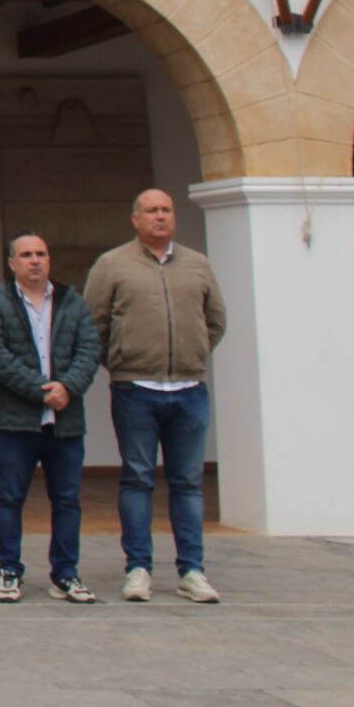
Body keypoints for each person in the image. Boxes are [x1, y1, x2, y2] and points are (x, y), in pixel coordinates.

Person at [86, 189, 229, 605]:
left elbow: (216, 320)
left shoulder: (198, 265)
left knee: (187, 482)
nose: (160, 217)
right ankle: (138, 569)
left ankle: (193, 570)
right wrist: (122, 361)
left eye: (166, 210)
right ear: (135, 219)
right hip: (135, 390)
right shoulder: (112, 265)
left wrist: (194, 352)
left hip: (189, 390)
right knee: (137, 478)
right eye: (151, 211)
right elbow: (94, 324)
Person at [0, 230, 104, 605]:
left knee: (67, 500)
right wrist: (41, 388)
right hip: (15, 421)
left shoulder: (71, 302)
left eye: (41, 254)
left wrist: (68, 387)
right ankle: (9, 570)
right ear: (12, 263)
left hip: (65, 421)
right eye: (27, 255)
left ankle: (65, 573)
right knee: (10, 497)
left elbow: (89, 348)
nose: (35, 261)